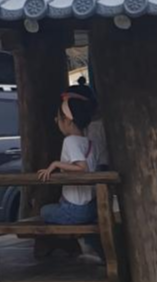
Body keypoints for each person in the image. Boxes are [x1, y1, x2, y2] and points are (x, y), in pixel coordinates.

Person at [36, 90, 107, 261]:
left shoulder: (70, 141)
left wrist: (55, 164)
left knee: (44, 211)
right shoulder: (90, 142)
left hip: (75, 210)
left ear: (67, 121)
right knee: (86, 226)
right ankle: (103, 255)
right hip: (92, 208)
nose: (56, 121)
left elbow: (81, 167)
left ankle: (64, 243)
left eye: (59, 118)